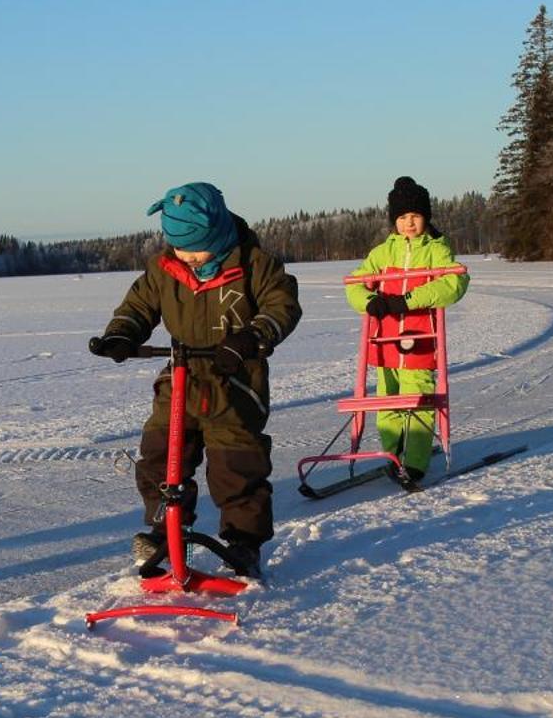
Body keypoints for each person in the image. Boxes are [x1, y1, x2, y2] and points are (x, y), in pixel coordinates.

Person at [88, 182, 301, 579]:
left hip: (235, 381)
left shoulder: (256, 264)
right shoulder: (164, 269)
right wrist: (122, 333)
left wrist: (252, 337)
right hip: (180, 377)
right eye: (180, 248)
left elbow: (282, 305)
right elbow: (139, 305)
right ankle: (163, 527)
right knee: (159, 455)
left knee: (236, 467)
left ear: (218, 232)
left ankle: (243, 544)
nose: (187, 256)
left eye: (196, 248)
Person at [343, 175, 469, 485]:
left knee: (418, 402)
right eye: (402, 218)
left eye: (414, 216)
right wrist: (370, 300)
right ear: (393, 221)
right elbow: (355, 284)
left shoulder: (436, 249)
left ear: (425, 217)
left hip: (420, 341)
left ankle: (414, 463)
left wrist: (408, 301)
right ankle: (392, 453)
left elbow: (454, 282)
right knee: (388, 402)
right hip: (384, 343)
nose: (409, 224)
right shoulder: (383, 253)